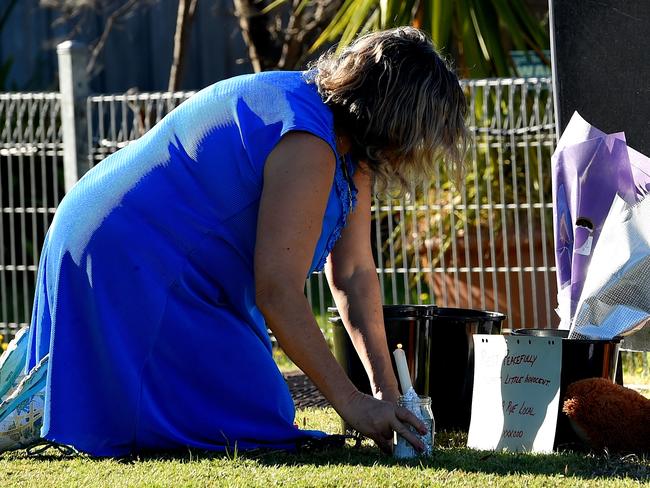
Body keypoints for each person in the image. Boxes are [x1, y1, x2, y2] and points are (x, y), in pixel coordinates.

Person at [1, 26, 467, 456]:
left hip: (140, 247)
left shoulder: (350, 143)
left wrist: (386, 394)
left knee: (259, 406)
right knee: (253, 419)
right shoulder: (309, 140)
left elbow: (354, 273)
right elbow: (278, 292)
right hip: (124, 251)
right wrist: (352, 404)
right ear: (394, 120)